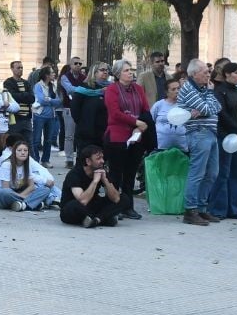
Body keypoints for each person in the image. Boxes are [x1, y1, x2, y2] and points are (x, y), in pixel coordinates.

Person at [177, 59, 222, 226]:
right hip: (198, 133)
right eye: (205, 72)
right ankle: (190, 210)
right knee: (197, 173)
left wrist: (205, 107)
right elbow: (208, 109)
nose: (208, 75)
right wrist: (209, 97)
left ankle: (202, 209)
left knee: (212, 173)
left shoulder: (203, 89)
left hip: (210, 132)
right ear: (194, 74)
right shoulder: (189, 88)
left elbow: (217, 108)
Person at [103, 59, 148, 220]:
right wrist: (135, 122)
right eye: (126, 70)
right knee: (116, 174)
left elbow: (145, 109)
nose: (130, 73)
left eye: (131, 70)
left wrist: (140, 125)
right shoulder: (112, 90)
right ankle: (113, 207)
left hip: (136, 136)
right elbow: (115, 113)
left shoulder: (138, 89)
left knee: (130, 174)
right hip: (117, 136)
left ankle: (128, 206)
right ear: (117, 74)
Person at [211, 62, 237, 220]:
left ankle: (233, 208)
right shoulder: (219, 92)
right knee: (223, 172)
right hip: (225, 136)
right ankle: (219, 209)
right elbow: (222, 114)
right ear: (227, 74)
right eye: (236, 73)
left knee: (236, 172)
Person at [58, 146, 125, 228]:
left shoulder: (101, 171)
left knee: (124, 198)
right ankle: (104, 218)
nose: (102, 161)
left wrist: (105, 181)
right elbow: (83, 201)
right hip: (73, 210)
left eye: (102, 158)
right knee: (75, 205)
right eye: (98, 159)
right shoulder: (74, 174)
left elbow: (116, 198)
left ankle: (96, 220)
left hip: (91, 206)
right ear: (88, 161)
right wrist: (95, 181)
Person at [0, 139, 56, 211]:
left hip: (19, 193)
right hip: (3, 196)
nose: (23, 153)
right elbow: (5, 188)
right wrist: (23, 196)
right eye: (19, 150)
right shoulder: (6, 165)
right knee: (5, 193)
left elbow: (31, 186)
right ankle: (31, 203)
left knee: (45, 190)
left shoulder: (27, 164)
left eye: (25, 150)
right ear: (14, 152)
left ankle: (23, 205)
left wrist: (22, 194)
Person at [71, 62, 109, 158]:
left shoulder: (109, 88)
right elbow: (75, 110)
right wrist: (84, 123)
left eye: (107, 70)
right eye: (102, 70)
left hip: (103, 133)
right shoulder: (83, 89)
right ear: (94, 72)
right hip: (87, 133)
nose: (105, 72)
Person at [59, 58, 86, 165]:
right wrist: (83, 90)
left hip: (82, 109)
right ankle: (69, 159)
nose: (78, 65)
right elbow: (69, 89)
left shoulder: (84, 77)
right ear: (70, 65)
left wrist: (80, 90)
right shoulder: (64, 77)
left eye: (80, 63)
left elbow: (86, 88)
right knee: (69, 136)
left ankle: (80, 157)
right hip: (68, 109)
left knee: (81, 135)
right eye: (76, 63)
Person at [31, 66, 61, 164]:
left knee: (48, 140)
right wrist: (50, 101)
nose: (54, 74)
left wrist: (49, 100)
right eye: (52, 73)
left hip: (51, 116)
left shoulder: (53, 86)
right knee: (36, 139)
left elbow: (59, 101)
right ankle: (35, 160)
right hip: (39, 115)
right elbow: (41, 100)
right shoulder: (38, 85)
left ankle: (45, 160)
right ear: (47, 75)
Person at [151, 79, 186, 151]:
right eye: (173, 89)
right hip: (161, 147)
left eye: (178, 88)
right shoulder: (158, 105)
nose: (177, 91)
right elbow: (151, 122)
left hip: (182, 147)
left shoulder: (185, 105)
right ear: (166, 92)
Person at [3, 60, 34, 139]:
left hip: (27, 118)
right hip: (15, 119)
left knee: (29, 143)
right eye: (18, 68)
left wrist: (22, 96)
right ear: (12, 69)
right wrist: (25, 95)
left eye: (22, 68)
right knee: (14, 142)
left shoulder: (26, 83)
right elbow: (12, 96)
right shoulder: (8, 82)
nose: (21, 69)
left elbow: (32, 98)